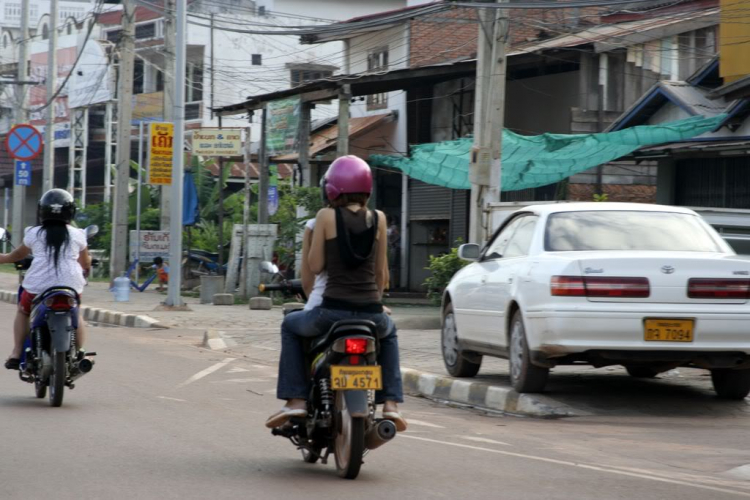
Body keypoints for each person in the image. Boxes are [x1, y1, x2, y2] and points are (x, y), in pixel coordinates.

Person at [266, 155, 406, 431]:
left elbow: (316, 266)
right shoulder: (379, 218)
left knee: (290, 326)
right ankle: (391, 404)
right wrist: (377, 304)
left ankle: (296, 400)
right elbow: (382, 275)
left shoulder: (325, 216)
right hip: (371, 314)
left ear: (332, 189)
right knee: (389, 333)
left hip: (330, 313)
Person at [0, 189, 91, 370]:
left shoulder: (34, 233)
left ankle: (17, 352)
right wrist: (86, 268)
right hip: (70, 283)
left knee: (23, 311)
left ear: (42, 211)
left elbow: (16, 255)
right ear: (70, 212)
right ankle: (80, 351)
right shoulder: (78, 234)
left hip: (39, 284)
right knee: (76, 312)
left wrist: (1, 258)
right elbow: (85, 261)